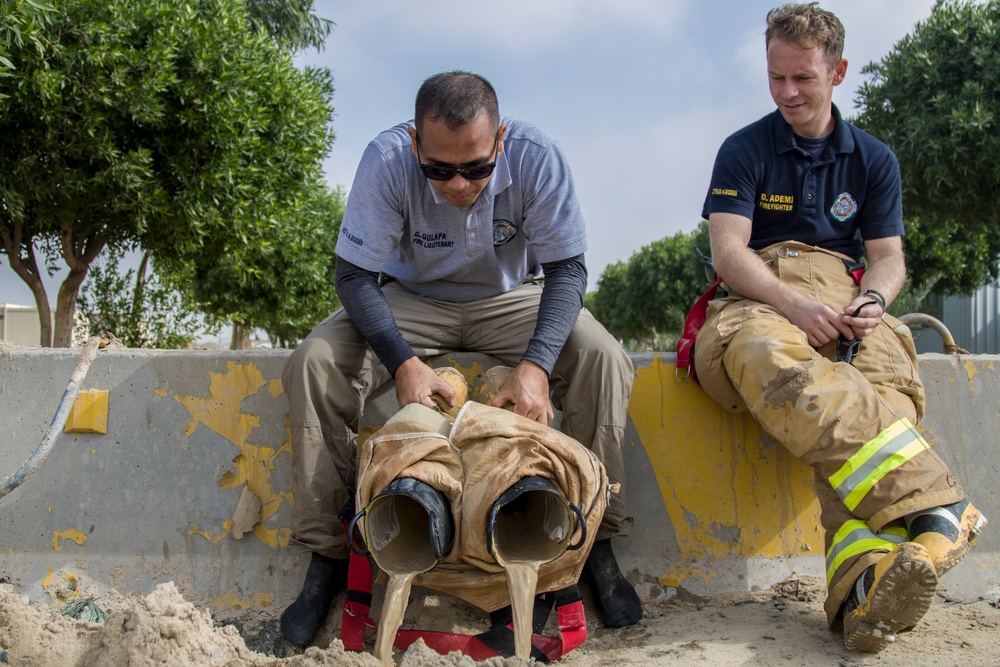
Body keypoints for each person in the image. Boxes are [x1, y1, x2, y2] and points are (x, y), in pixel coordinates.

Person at [279, 70, 642, 646]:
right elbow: (352, 275)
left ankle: (596, 540)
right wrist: (401, 361)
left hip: (512, 299)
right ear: (415, 144)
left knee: (603, 356)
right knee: (314, 363)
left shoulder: (538, 155)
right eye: (439, 170)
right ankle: (329, 553)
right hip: (411, 303)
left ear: (500, 140)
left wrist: (537, 366)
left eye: (476, 168)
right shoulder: (385, 158)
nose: (457, 184)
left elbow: (568, 271)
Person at [695, 2, 987, 653]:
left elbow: (886, 257)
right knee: (780, 363)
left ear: (839, 71)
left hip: (847, 294)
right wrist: (794, 305)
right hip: (758, 295)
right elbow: (729, 253)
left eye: (802, 78)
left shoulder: (874, 159)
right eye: (776, 78)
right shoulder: (744, 149)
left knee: (887, 394)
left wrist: (876, 301)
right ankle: (937, 505)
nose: (788, 93)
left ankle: (862, 585)